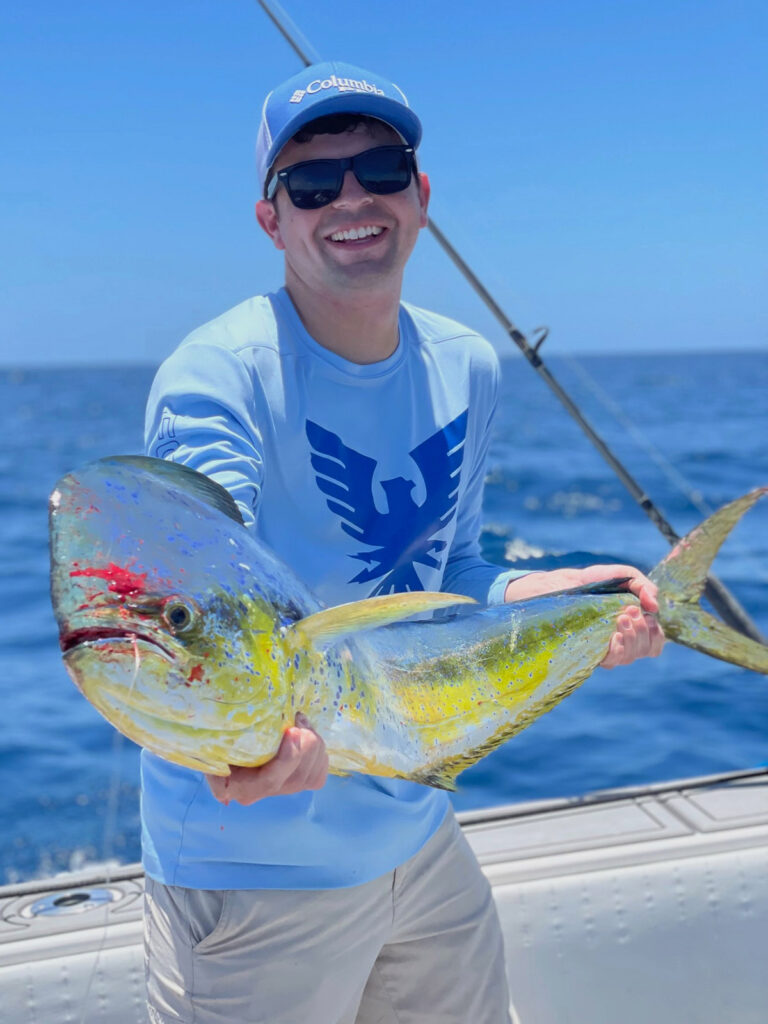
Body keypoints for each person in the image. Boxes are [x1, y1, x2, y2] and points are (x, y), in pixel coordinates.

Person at [141, 61, 664, 1024]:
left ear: (421, 199)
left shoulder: (466, 364)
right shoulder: (216, 376)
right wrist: (249, 745)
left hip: (418, 828)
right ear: (273, 221)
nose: (351, 198)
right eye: (311, 183)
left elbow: (452, 571)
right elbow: (205, 573)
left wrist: (557, 598)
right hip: (256, 863)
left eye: (380, 168)